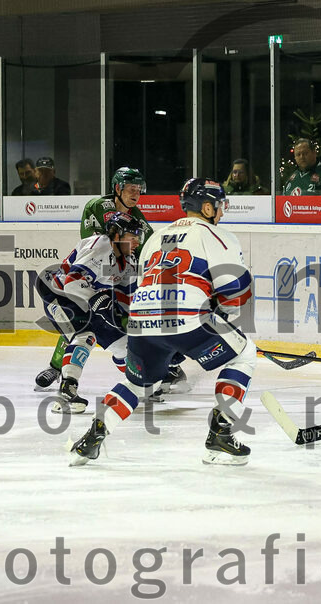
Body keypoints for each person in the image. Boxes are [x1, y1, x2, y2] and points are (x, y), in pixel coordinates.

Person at [69, 178, 255, 466]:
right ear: (207, 208)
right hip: (187, 316)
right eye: (219, 206)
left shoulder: (156, 237)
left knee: (138, 384)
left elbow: (143, 285)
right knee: (244, 354)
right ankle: (221, 433)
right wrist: (219, 310)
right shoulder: (218, 235)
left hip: (142, 319)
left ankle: (93, 435)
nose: (221, 212)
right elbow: (236, 289)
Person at [36, 167, 190, 395]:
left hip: (112, 272)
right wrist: (112, 277)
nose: (136, 193)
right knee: (83, 324)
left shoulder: (137, 218)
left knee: (121, 332)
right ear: (117, 188)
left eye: (138, 189)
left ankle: (144, 376)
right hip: (92, 273)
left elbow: (148, 249)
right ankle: (58, 368)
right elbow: (93, 249)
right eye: (130, 188)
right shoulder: (98, 209)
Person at [36, 212, 142, 413]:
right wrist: (99, 301)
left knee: (124, 344)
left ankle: (138, 382)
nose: (137, 241)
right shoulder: (101, 246)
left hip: (86, 300)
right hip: (58, 294)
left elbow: (128, 297)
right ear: (116, 235)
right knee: (86, 335)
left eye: (138, 236)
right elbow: (72, 282)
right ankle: (66, 392)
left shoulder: (129, 261)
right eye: (132, 236)